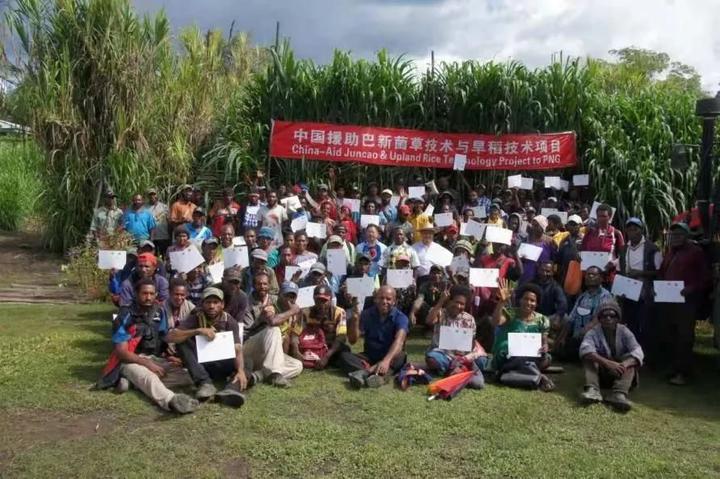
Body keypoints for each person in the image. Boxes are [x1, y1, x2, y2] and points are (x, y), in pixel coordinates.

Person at [98, 279, 197, 414]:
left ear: (156, 294)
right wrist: (147, 364)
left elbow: (166, 336)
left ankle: (133, 383)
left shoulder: (158, 312)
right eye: (144, 293)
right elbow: (121, 352)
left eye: (152, 293)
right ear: (136, 293)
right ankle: (172, 401)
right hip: (129, 360)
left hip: (153, 358)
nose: (148, 297)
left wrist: (195, 333)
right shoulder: (124, 315)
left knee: (186, 375)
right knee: (148, 377)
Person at [166, 287, 248, 407]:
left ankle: (231, 390)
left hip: (223, 364)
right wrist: (197, 331)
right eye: (208, 302)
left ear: (222, 304)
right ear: (202, 304)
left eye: (216, 302)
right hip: (201, 366)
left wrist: (240, 370)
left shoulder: (230, 321)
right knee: (182, 342)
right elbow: (170, 337)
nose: (211, 306)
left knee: (247, 362)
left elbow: (237, 349)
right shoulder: (195, 318)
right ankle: (205, 383)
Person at [658, 222, 712, 385]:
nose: (675, 238)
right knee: (670, 334)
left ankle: (684, 373)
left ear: (687, 236)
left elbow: (705, 279)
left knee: (684, 336)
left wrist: (690, 289)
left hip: (686, 302)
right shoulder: (669, 252)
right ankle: (674, 368)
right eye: (673, 235)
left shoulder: (696, 252)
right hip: (668, 300)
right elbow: (661, 273)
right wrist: (658, 288)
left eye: (679, 235)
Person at [579, 299, 643, 412]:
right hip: (602, 373)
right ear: (599, 319)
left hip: (621, 373)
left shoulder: (625, 331)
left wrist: (624, 364)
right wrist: (607, 363)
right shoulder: (593, 332)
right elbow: (585, 348)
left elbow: (637, 350)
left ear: (617, 318)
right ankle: (593, 390)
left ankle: (619, 394)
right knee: (589, 357)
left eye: (612, 315)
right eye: (604, 316)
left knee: (631, 359)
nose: (608, 318)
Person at [491, 280, 555, 392]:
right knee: (512, 355)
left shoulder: (542, 319)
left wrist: (544, 346)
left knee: (547, 358)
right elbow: (496, 322)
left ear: (537, 303)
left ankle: (506, 372)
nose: (528, 303)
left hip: (529, 355)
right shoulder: (511, 313)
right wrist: (501, 302)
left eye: (532, 300)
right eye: (525, 299)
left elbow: (543, 340)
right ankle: (539, 376)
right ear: (520, 300)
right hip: (508, 353)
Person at [242, 272, 304, 387]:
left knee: (297, 365)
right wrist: (292, 311)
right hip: (250, 347)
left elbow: (292, 336)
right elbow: (272, 322)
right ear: (280, 294)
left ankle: (258, 375)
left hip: (269, 353)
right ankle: (275, 374)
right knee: (274, 330)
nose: (289, 299)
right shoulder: (270, 305)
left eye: (292, 296)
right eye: (286, 295)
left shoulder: (294, 310)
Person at [341, 285, 409, 388]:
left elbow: (399, 341)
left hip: (390, 357)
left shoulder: (401, 317)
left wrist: (386, 361)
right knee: (345, 355)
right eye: (381, 298)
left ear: (394, 301)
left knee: (400, 356)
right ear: (376, 299)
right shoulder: (366, 314)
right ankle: (375, 374)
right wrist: (355, 320)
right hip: (370, 356)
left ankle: (368, 373)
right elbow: (352, 341)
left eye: (388, 299)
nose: (384, 301)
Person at [618, 217, 661, 356]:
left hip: (645, 293)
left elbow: (660, 271)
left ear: (641, 230)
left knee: (646, 325)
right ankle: (632, 353)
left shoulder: (652, 248)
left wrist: (641, 273)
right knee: (630, 323)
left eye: (635, 229)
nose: (632, 232)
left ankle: (646, 354)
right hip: (628, 292)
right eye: (629, 229)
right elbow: (621, 270)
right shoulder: (624, 249)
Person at [425, 285, 487, 381]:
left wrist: (464, 357)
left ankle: (454, 368)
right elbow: (429, 321)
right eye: (456, 302)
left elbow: (471, 343)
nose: (458, 306)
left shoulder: (469, 319)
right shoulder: (440, 313)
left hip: (463, 357)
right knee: (432, 359)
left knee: (482, 361)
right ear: (449, 301)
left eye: (462, 304)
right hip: (444, 354)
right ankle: (457, 369)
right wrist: (441, 301)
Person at [560, 266, 612, 358]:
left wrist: (584, 331)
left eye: (594, 274)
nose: (590, 276)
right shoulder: (582, 297)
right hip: (577, 338)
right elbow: (571, 319)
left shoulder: (605, 295)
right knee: (560, 348)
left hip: (593, 338)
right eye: (588, 274)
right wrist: (562, 338)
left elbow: (600, 318)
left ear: (601, 279)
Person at [299, 285, 350, 370]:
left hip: (331, 347)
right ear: (313, 299)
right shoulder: (305, 313)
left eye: (324, 300)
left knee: (344, 352)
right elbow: (298, 334)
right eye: (318, 300)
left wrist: (326, 356)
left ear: (330, 300)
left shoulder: (340, 312)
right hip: (312, 347)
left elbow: (341, 336)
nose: (321, 304)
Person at [517, 215, 555, 285]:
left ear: (542, 227)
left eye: (536, 225)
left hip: (543, 275)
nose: (533, 228)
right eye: (533, 225)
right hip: (527, 274)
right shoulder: (526, 240)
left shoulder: (549, 241)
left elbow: (553, 259)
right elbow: (519, 258)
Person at [146, 188, 170, 256]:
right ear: (148, 196)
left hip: (163, 236)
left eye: (154, 194)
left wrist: (170, 235)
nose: (152, 196)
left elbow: (169, 221)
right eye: (150, 195)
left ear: (157, 195)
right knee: (152, 256)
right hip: (150, 237)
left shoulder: (164, 207)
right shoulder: (144, 208)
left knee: (164, 256)